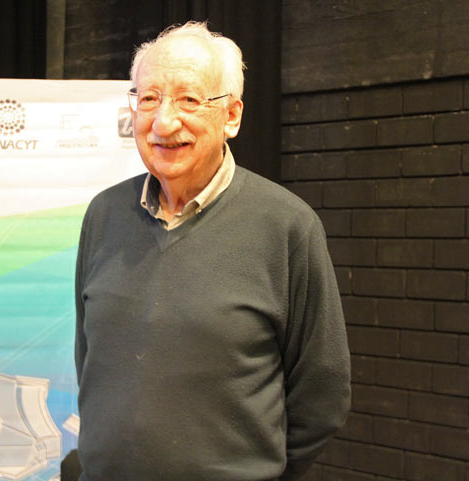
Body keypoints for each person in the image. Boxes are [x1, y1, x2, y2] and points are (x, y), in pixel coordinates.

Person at [74, 21, 350, 481]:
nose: (164, 122)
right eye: (149, 98)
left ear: (232, 116)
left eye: (189, 100)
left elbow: (323, 395)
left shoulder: (286, 226)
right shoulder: (103, 215)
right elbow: (90, 362)